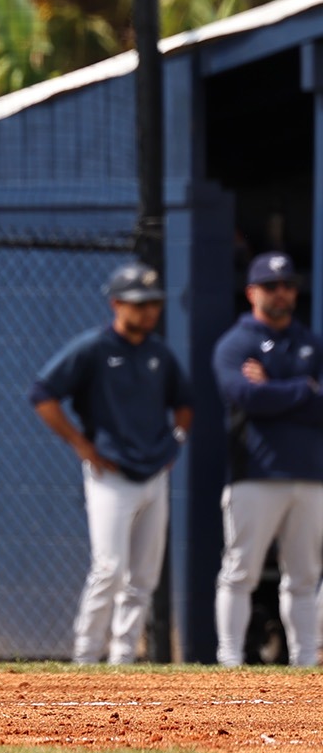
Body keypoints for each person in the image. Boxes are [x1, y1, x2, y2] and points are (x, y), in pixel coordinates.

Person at [30, 262, 191, 664]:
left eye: (153, 303)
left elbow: (185, 402)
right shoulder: (94, 348)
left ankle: (123, 658)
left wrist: (175, 442)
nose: (148, 311)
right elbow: (42, 393)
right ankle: (86, 656)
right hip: (110, 472)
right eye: (139, 303)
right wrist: (79, 443)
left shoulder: (158, 353)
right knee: (109, 569)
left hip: (153, 472)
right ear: (116, 303)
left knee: (144, 575)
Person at [211, 251, 323, 667]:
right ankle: (230, 660)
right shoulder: (236, 343)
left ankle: (305, 661)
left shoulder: (311, 343)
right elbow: (246, 396)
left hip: (310, 474)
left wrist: (274, 387)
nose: (281, 293)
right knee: (240, 570)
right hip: (254, 474)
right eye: (271, 286)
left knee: (305, 576)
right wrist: (303, 389)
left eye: (288, 285)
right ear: (252, 292)